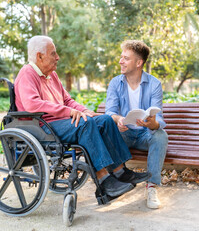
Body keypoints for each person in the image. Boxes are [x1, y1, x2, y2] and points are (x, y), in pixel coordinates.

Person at [14, 35, 151, 199]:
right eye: (53, 54)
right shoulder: (27, 73)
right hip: (42, 126)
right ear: (39, 56)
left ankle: (121, 172)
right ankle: (104, 181)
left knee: (105, 120)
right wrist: (68, 112)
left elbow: (67, 100)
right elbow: (32, 104)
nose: (57, 57)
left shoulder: (52, 76)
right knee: (85, 124)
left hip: (60, 123)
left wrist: (85, 110)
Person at [105, 40, 168, 209]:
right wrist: (118, 119)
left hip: (144, 134)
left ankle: (152, 187)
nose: (120, 61)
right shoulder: (115, 83)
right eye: (121, 57)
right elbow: (109, 112)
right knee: (106, 132)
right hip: (124, 133)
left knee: (161, 135)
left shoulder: (154, 84)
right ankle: (118, 182)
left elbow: (159, 120)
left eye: (125, 58)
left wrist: (152, 124)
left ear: (139, 63)